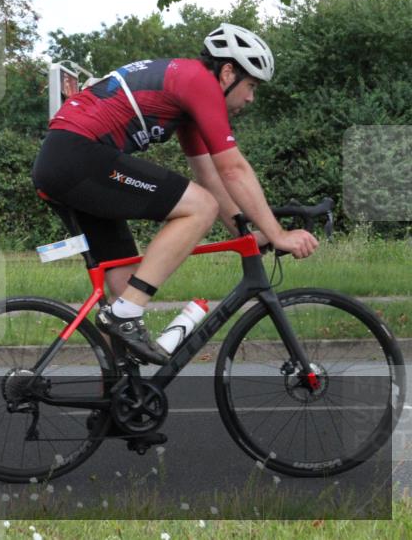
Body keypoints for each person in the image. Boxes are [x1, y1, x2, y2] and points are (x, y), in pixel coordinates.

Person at [32, 23, 318, 365]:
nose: (251, 98)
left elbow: (210, 175)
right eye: (251, 85)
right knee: (198, 209)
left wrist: (244, 233)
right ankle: (125, 313)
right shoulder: (199, 82)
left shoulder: (186, 98)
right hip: (76, 157)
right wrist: (278, 234)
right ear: (228, 72)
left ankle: (117, 403)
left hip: (69, 163)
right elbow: (234, 170)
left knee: (124, 281)